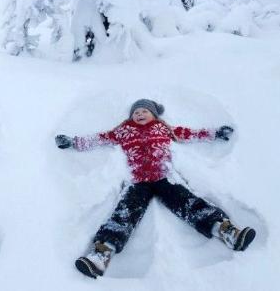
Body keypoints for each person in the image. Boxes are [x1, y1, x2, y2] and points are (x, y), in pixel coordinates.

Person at [55, 98, 256, 279]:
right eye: (136, 112)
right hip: (138, 182)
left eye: (145, 111)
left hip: (164, 177)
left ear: (154, 115)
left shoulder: (163, 128)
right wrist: (73, 142)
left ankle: (225, 230)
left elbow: (190, 133)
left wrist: (214, 133)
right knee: (125, 212)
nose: (140, 114)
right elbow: (100, 138)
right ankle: (101, 253)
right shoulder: (123, 130)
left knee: (187, 202)